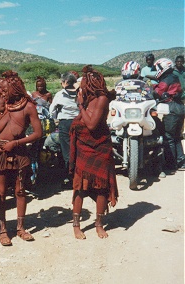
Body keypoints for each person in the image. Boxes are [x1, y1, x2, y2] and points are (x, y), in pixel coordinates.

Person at [0, 71, 42, 246]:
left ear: (13, 89)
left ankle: (20, 227)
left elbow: (38, 133)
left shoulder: (28, 107)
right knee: (1, 192)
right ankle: (2, 230)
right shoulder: (4, 104)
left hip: (18, 153)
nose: (1, 93)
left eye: (4, 90)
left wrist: (16, 142)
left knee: (20, 191)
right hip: (1, 153)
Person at [69, 65, 118, 240]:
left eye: (82, 83)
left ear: (90, 84)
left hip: (99, 149)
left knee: (101, 188)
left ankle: (99, 224)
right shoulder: (89, 98)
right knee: (79, 187)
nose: (80, 87)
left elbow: (91, 124)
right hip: (84, 148)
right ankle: (76, 225)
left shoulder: (101, 99)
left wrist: (80, 105)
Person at [152, 58, 185, 170]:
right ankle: (181, 162)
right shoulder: (174, 77)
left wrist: (149, 89)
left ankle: (171, 164)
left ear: (163, 67)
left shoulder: (166, 79)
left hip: (172, 108)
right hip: (180, 107)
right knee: (176, 137)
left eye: (158, 68)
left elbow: (157, 92)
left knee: (168, 137)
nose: (157, 70)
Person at [49, 72, 80, 187]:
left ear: (65, 82)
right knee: (78, 148)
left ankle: (71, 178)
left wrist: (55, 119)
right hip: (79, 122)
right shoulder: (79, 93)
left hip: (65, 123)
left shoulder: (60, 94)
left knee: (67, 150)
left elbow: (52, 110)